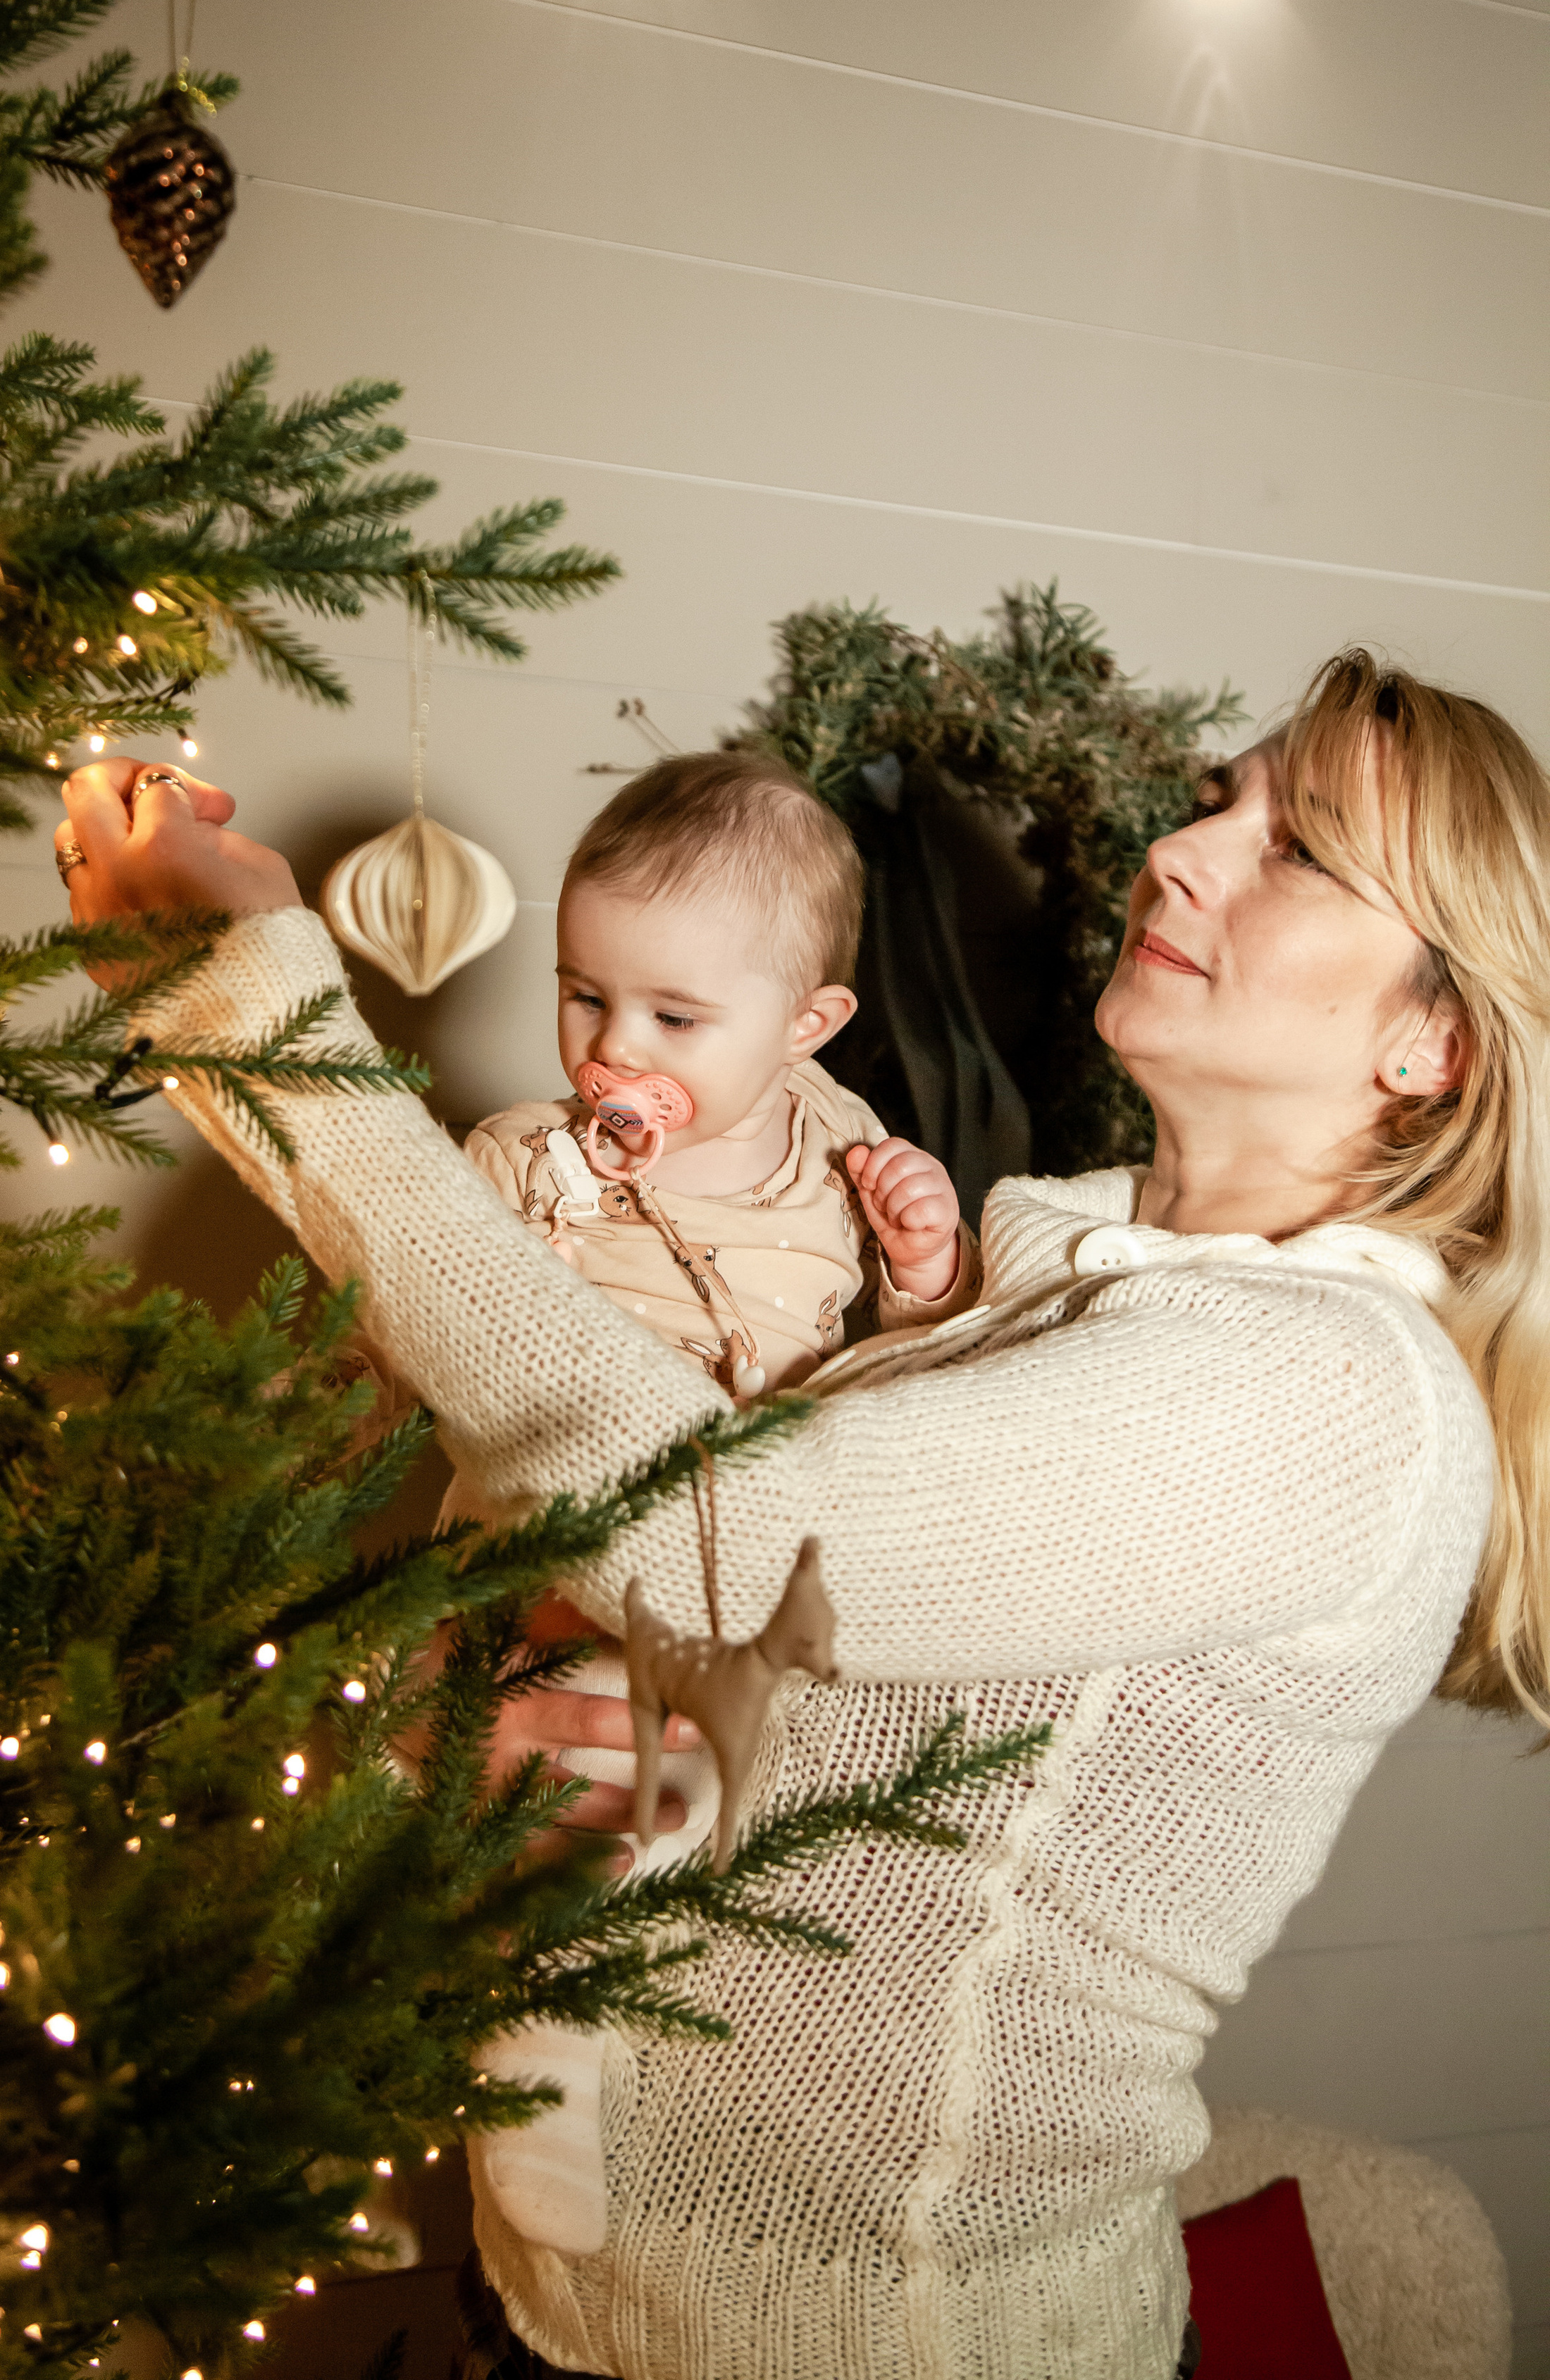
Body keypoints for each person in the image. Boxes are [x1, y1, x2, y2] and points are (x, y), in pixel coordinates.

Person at [53, 652, 1549, 2380]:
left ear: (1431, 1039)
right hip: (579, 2311)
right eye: (1221, 797)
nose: (1185, 852)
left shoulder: (1319, 1388)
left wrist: (258, 1014)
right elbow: (737, 1703)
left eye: (1296, 853)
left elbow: (711, 1539)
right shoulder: (1029, 1291)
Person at [463, 750, 974, 2255]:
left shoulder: (847, 1154)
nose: (612, 1050)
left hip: (754, 1578)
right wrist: (534, 1220)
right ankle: (531, 2052)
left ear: (806, 1024)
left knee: (729, 1825)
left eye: (675, 1018)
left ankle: (693, 2077)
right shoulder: (530, 1154)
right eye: (581, 994)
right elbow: (435, 1314)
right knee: (581, 1792)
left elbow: (915, 1368)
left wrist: (923, 1267)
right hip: (577, 1551)